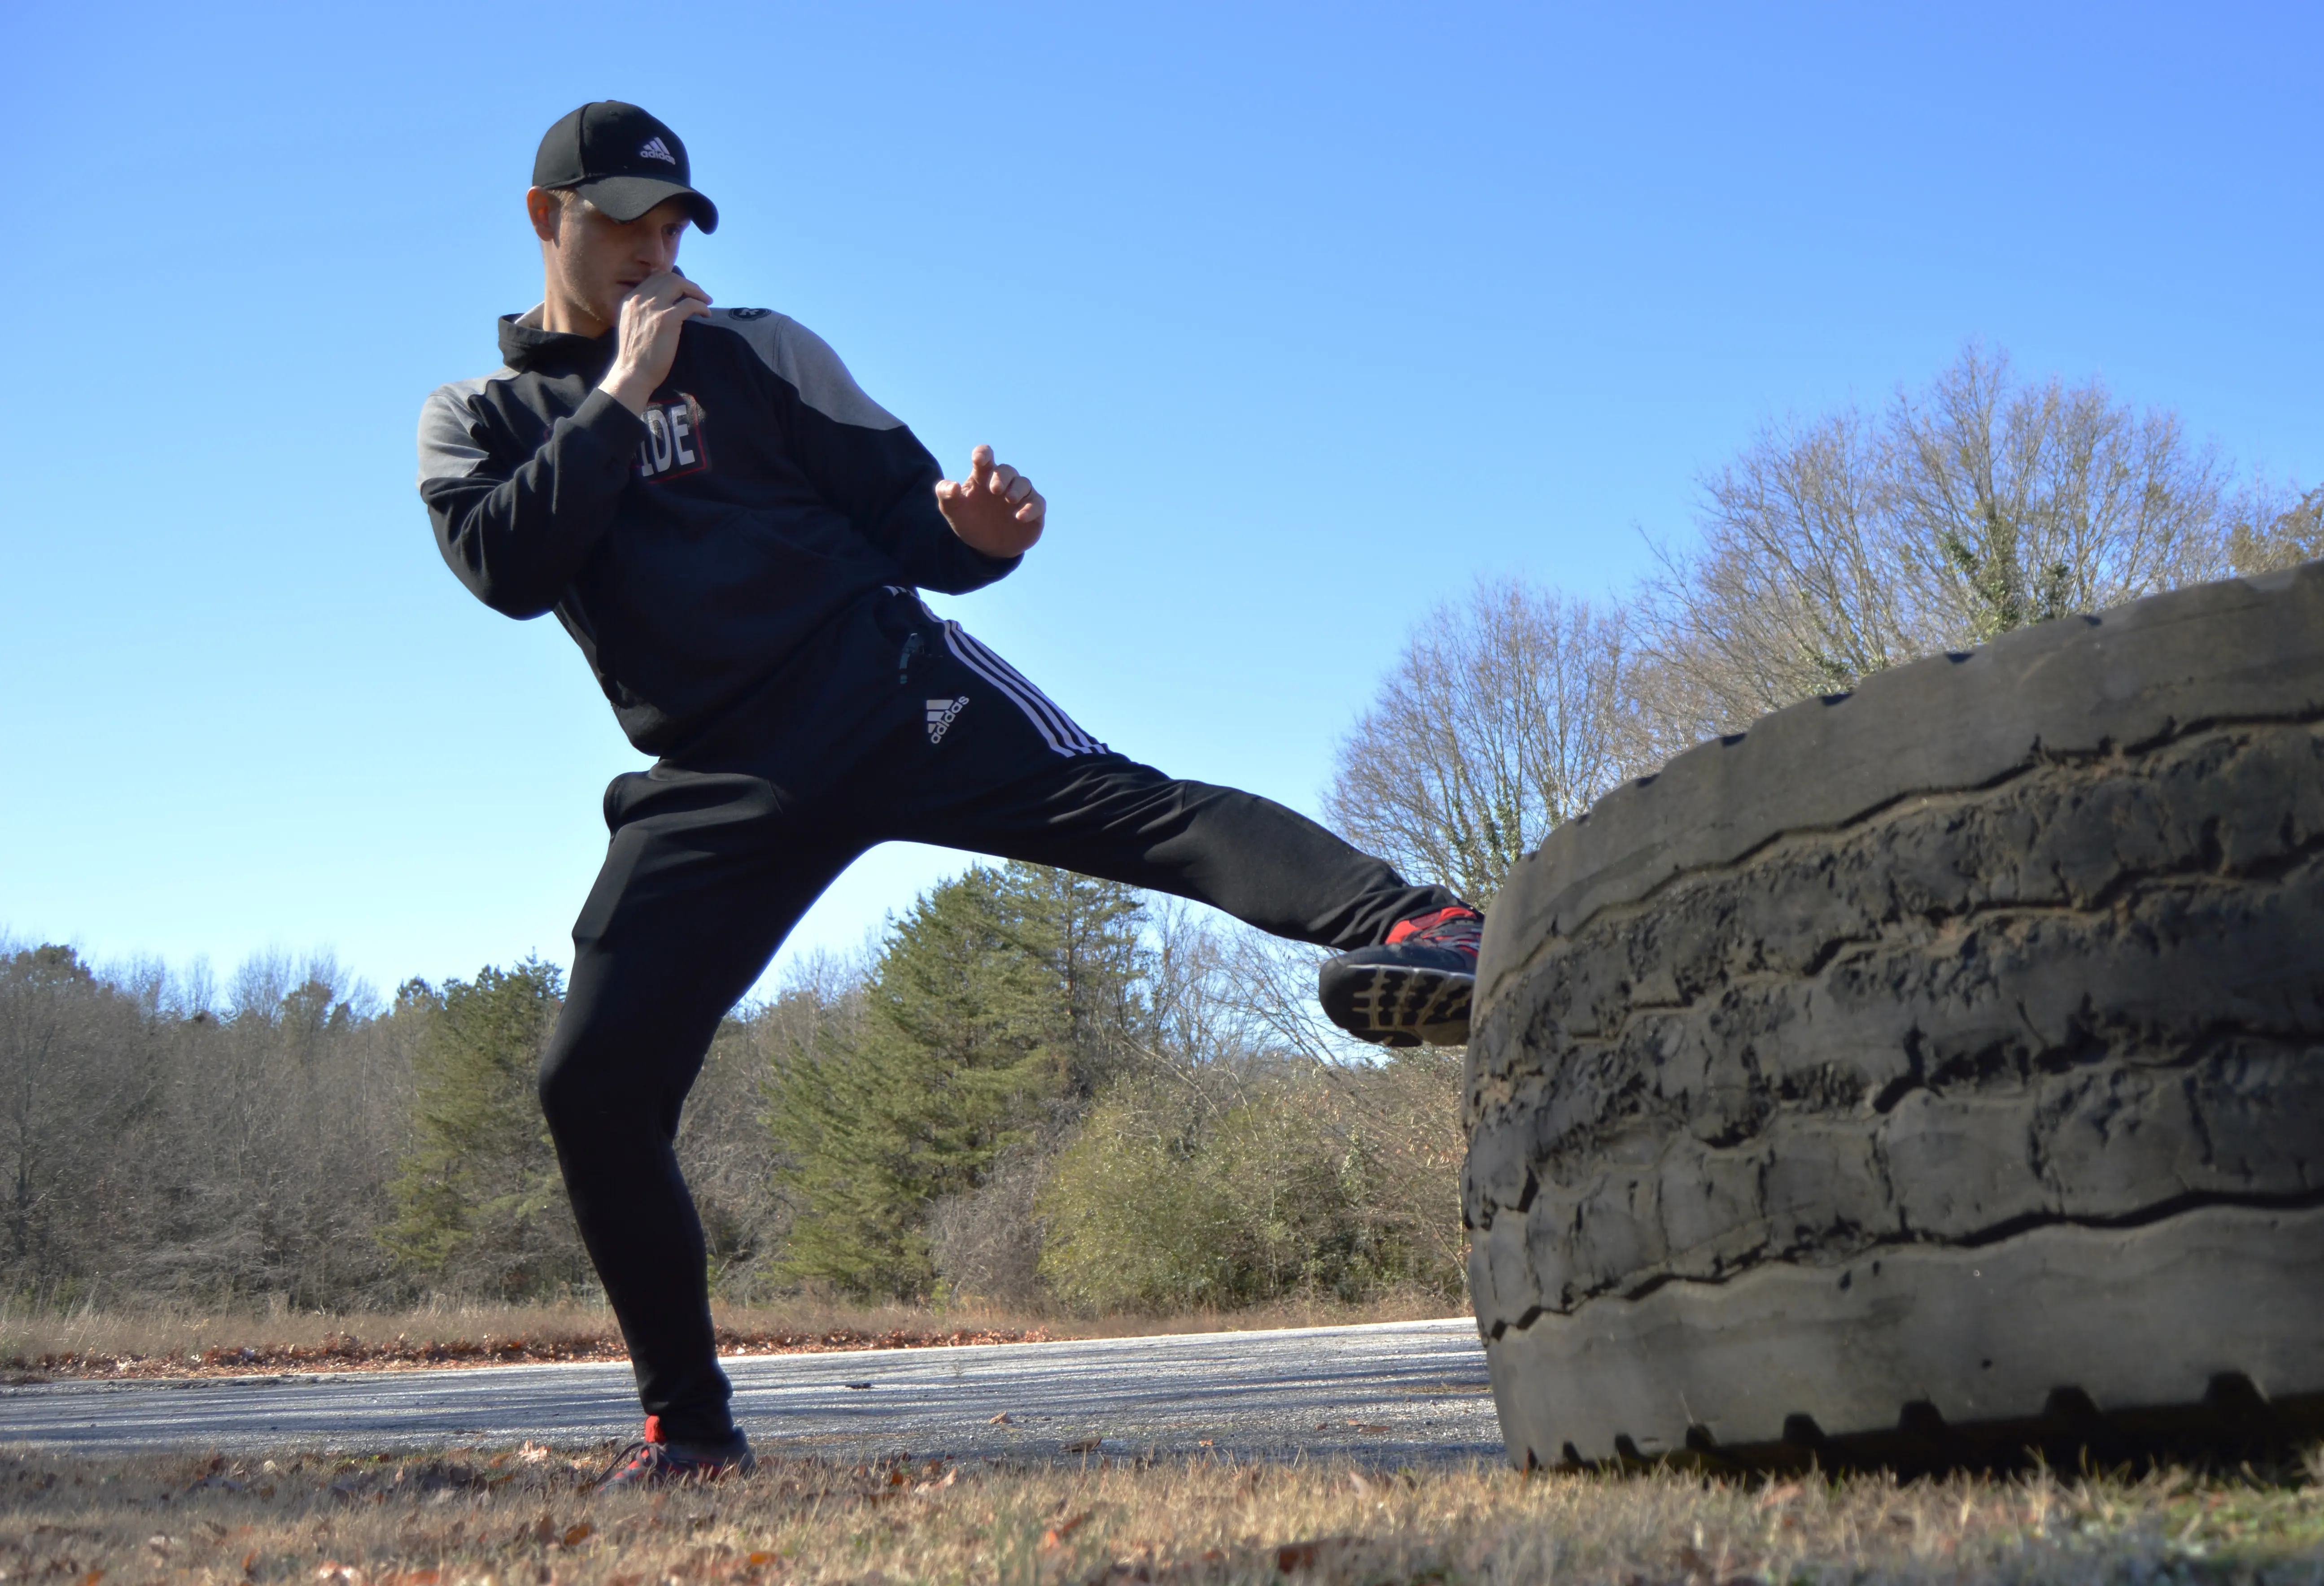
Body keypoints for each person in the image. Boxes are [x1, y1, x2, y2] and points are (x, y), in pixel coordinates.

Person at [416, 101, 1484, 1486]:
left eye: (674, 222)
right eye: (623, 218)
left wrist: (977, 538)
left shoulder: (764, 349)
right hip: (716, 771)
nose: (655, 248)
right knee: (593, 1086)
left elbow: (906, 517)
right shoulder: (478, 415)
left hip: (877, 684)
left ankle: (1421, 928)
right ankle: (690, 1433)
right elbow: (508, 569)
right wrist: (622, 394)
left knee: (1133, 808)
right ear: (544, 217)